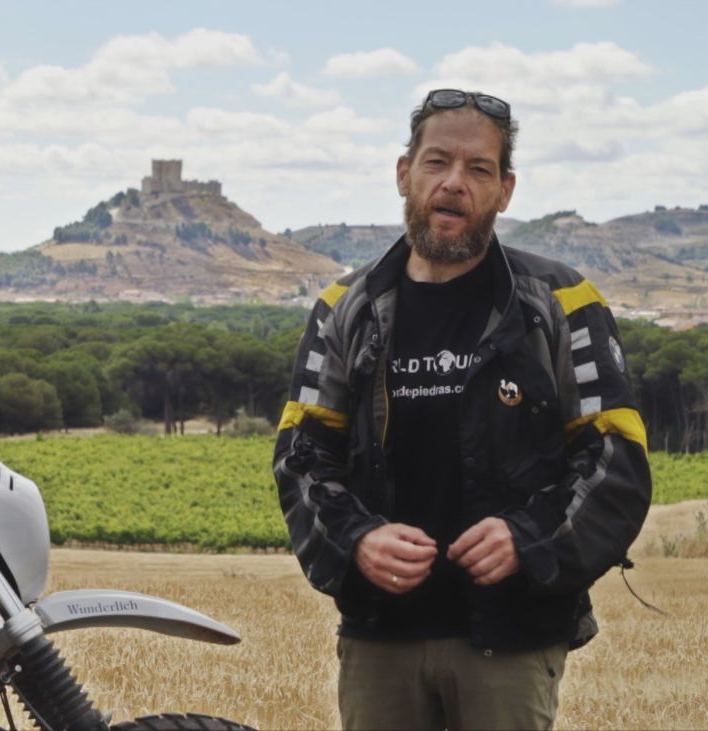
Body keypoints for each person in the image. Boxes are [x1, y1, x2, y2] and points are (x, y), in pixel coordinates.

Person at [273, 89, 651, 730]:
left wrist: (528, 538)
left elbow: (617, 460)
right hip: (380, 634)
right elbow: (301, 458)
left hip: (511, 633)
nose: (454, 183)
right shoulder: (345, 307)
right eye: (436, 162)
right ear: (404, 173)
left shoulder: (562, 301)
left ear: (505, 190)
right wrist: (358, 539)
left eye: (478, 169)